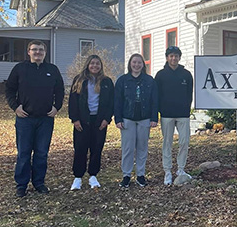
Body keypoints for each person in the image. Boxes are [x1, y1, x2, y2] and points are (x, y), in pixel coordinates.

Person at [5, 40, 64, 197]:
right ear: (28, 52)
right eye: (34, 50)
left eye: (40, 50)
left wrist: (56, 107)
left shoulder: (52, 69)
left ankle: (39, 183)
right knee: (23, 153)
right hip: (25, 119)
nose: (37, 52)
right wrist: (15, 107)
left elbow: (60, 90)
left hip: (45, 119)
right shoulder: (20, 69)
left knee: (42, 153)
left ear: (45, 53)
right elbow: (9, 90)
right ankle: (21, 185)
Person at [68, 54, 114, 190]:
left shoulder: (107, 82)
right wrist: (75, 119)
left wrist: (106, 119)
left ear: (101, 66)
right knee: (80, 148)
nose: (95, 66)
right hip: (82, 120)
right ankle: (77, 177)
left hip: (99, 120)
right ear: (88, 65)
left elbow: (111, 102)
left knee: (97, 148)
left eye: (97, 64)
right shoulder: (79, 80)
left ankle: (93, 175)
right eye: (92, 63)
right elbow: (73, 101)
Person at [114, 53, 158, 188]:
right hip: (127, 118)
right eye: (134, 62)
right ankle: (126, 175)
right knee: (127, 149)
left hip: (144, 119)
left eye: (139, 62)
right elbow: (117, 101)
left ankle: (140, 175)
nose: (136, 65)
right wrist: (118, 118)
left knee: (142, 148)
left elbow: (154, 100)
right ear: (130, 64)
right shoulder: (122, 81)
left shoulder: (150, 80)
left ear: (143, 65)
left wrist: (154, 117)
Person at [155, 46, 193, 186]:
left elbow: (189, 94)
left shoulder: (186, 74)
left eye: (176, 56)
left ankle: (181, 169)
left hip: (183, 114)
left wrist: (187, 109)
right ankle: (168, 171)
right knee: (167, 143)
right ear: (167, 58)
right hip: (166, 114)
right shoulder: (160, 75)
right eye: (171, 56)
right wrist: (159, 111)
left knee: (184, 142)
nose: (173, 58)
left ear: (179, 58)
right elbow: (156, 95)